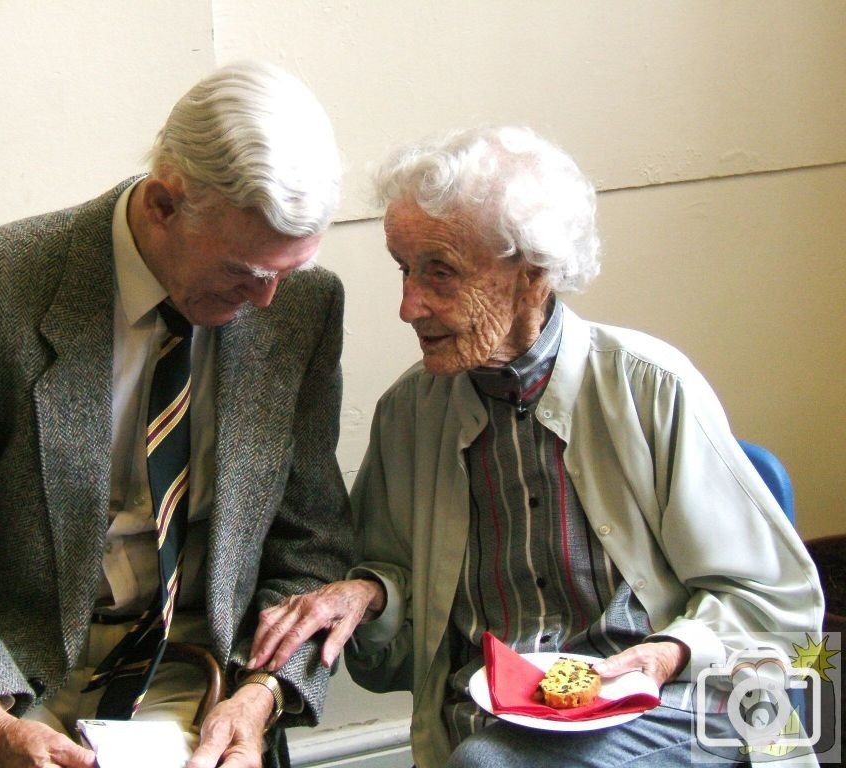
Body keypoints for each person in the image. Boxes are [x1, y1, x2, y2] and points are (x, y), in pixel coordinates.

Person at [248, 126, 824, 767]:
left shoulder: (649, 386)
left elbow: (785, 608)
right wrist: (369, 594)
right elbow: (400, 650)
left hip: (672, 710)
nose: (408, 306)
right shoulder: (409, 414)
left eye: (440, 273)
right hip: (490, 728)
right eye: (404, 270)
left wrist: (670, 653)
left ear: (534, 275)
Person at [0, 61, 353, 768]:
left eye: (288, 273)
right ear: (163, 203)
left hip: (203, 671)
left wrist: (263, 694)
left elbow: (311, 548)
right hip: (10, 673)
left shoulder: (306, 305)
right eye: (246, 272)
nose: (267, 302)